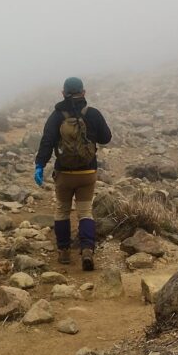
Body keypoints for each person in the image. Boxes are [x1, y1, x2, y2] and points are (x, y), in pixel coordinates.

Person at [35, 77, 111, 270]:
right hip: (88, 172)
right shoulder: (92, 114)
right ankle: (87, 250)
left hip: (64, 174)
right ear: (83, 92)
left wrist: (40, 165)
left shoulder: (56, 116)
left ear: (63, 93)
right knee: (85, 211)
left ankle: (64, 252)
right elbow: (106, 138)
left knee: (62, 210)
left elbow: (47, 141)